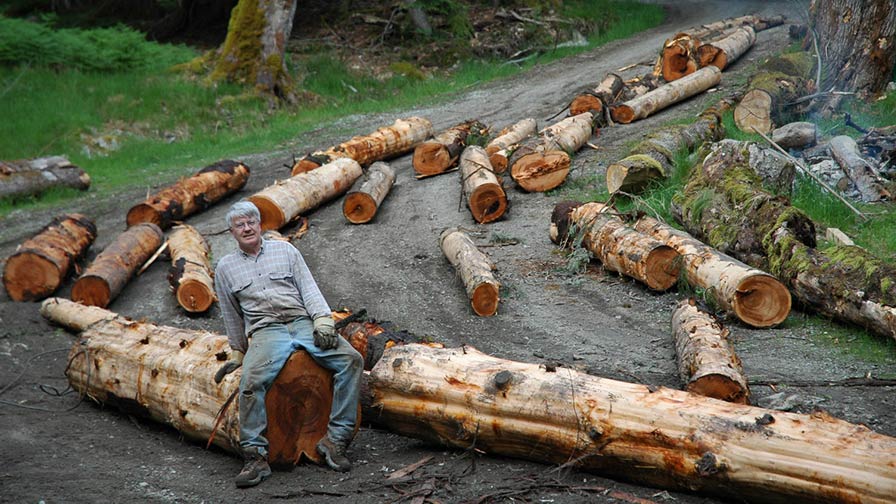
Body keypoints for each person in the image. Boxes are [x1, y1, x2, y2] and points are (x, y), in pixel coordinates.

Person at [213, 200, 363, 488]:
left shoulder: (286, 251)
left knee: (351, 360)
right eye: (239, 225)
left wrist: (322, 320)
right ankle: (255, 457)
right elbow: (231, 313)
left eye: (251, 222)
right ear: (231, 232)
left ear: (260, 224)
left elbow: (309, 288)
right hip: (266, 332)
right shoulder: (225, 268)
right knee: (250, 382)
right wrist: (237, 350)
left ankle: (336, 440)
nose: (246, 228)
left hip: (301, 323)